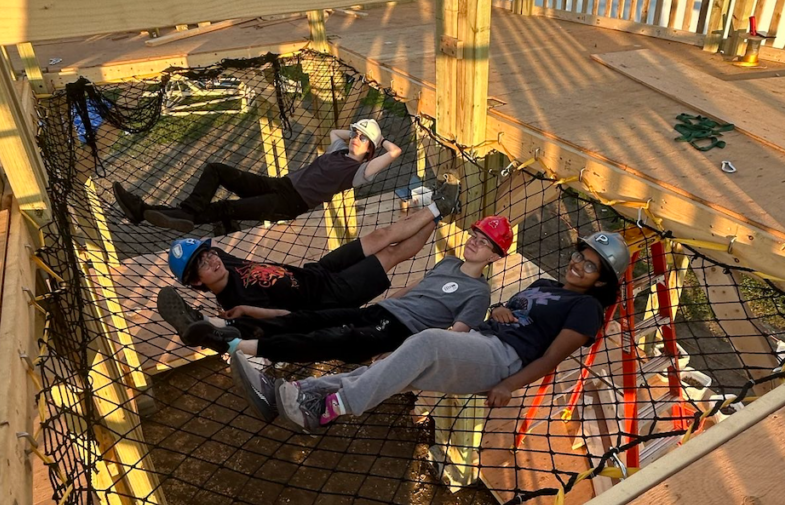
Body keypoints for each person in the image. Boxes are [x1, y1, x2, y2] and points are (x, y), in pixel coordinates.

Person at [268, 231, 630, 433]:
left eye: (590, 266)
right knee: (392, 370)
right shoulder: (545, 283)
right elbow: (516, 312)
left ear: (600, 280)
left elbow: (552, 357)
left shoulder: (587, 308)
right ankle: (306, 391)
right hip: (481, 342)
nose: (579, 265)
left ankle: (332, 408)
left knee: (424, 341)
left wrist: (508, 385)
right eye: (580, 255)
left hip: (502, 359)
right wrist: (500, 307)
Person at [229, 216, 514, 420]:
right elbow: (414, 288)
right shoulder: (449, 261)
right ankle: (238, 340)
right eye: (474, 236)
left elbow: (456, 338)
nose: (474, 243)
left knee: (332, 340)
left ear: (495, 256)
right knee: (314, 318)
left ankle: (251, 354)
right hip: (383, 313)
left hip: (402, 331)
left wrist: (402, 354)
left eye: (484, 243)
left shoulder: (478, 294)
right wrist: (380, 304)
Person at [156, 191, 462, 352]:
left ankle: (439, 206)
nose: (211, 260)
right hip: (333, 297)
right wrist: (219, 320)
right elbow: (281, 321)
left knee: (381, 235)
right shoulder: (236, 305)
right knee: (392, 253)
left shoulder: (222, 261)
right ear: (197, 281)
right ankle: (436, 220)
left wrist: (187, 219)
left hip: (317, 271)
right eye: (201, 264)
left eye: (207, 253)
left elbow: (207, 235)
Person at [113, 118, 402, 234]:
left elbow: (395, 152)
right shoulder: (339, 151)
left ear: (370, 151)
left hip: (290, 203)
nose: (354, 139)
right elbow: (336, 133)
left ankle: (144, 211)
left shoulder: (359, 172)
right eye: (356, 134)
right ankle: (184, 213)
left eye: (362, 140)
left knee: (223, 208)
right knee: (217, 169)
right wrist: (359, 133)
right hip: (281, 184)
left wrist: (379, 140)